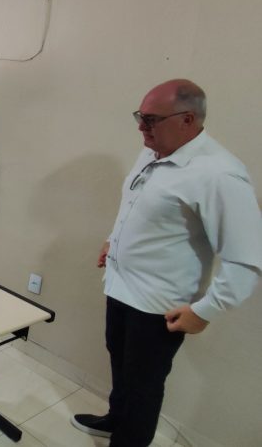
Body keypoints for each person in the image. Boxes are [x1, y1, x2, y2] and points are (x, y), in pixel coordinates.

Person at [71, 79, 262, 446]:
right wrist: (114, 240)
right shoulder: (154, 150)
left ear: (187, 119)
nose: (141, 128)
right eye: (140, 118)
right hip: (120, 285)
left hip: (159, 306)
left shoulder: (219, 174)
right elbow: (135, 203)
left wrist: (205, 310)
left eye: (151, 120)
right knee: (119, 363)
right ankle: (115, 419)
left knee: (143, 385)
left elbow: (246, 259)